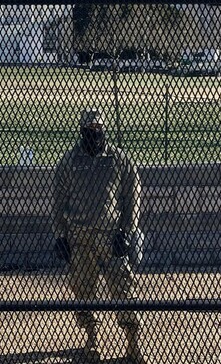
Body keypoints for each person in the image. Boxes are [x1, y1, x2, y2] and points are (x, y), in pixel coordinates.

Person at [52, 108, 146, 363]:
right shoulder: (70, 161)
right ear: (81, 131)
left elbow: (133, 195)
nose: (94, 134)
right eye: (89, 130)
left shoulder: (118, 159)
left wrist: (127, 231)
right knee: (82, 289)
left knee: (123, 288)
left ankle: (133, 343)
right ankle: (92, 338)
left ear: (104, 129)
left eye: (98, 129)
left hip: (111, 236)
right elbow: (58, 200)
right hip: (80, 238)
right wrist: (60, 235)